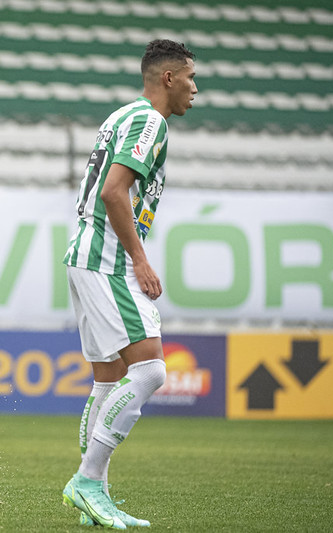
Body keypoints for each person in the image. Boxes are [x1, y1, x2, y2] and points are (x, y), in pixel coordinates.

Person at [61, 39, 198, 529]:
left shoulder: (121, 116)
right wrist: (139, 259)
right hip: (108, 260)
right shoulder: (150, 121)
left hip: (86, 255)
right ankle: (88, 481)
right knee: (151, 372)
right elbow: (114, 191)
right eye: (190, 78)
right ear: (168, 77)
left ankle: (93, 499)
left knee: (107, 378)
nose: (194, 89)